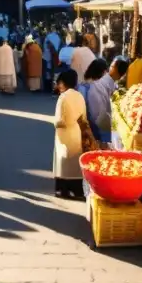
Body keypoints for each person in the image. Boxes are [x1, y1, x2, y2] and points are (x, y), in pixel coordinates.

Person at [53, 69, 87, 199]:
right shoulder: (79, 96)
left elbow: (59, 120)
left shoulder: (64, 97)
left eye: (60, 83)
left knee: (63, 161)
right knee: (74, 162)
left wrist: (55, 123)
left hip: (64, 134)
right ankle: (77, 189)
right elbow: (84, 117)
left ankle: (63, 190)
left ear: (64, 83)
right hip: (76, 131)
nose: (58, 86)